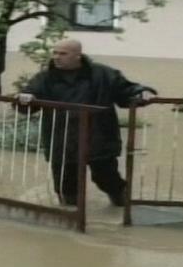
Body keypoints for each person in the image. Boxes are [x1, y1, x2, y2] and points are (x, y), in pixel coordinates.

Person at [16, 39, 157, 206]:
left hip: (99, 138)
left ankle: (124, 208)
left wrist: (143, 93)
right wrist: (24, 99)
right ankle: (70, 222)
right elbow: (28, 99)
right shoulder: (45, 78)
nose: (56, 57)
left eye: (63, 53)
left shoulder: (103, 74)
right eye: (55, 53)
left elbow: (126, 92)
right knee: (66, 187)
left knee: (108, 180)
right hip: (63, 140)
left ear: (78, 56)